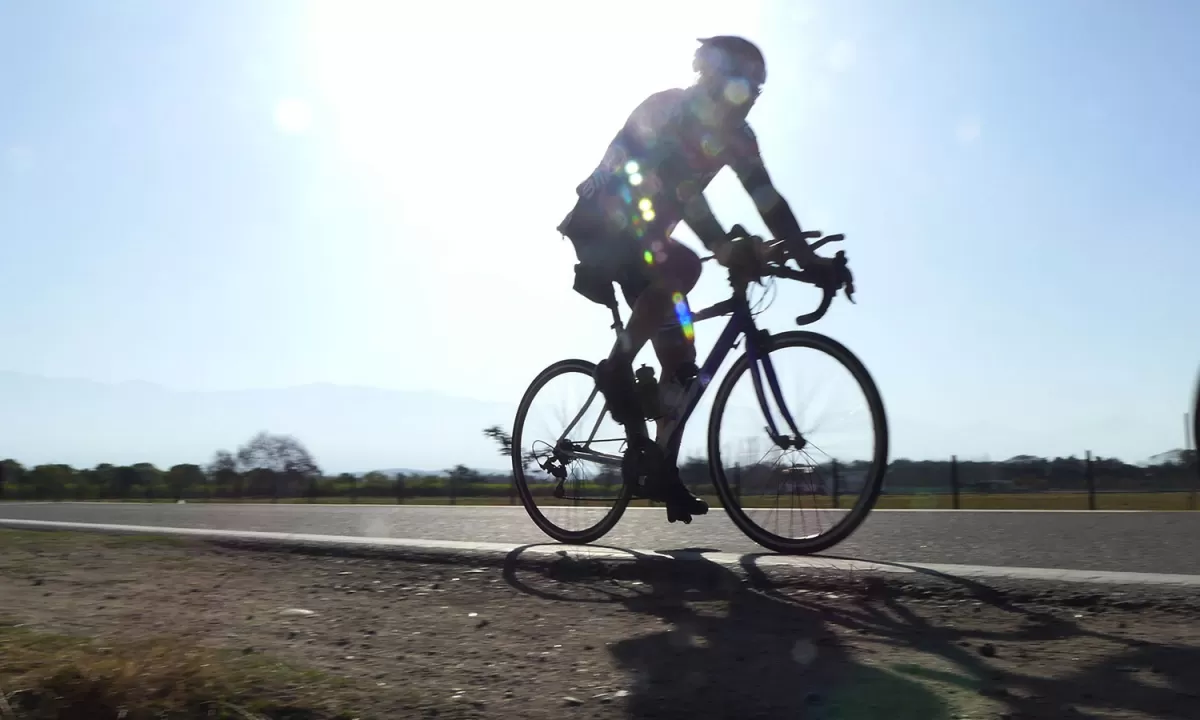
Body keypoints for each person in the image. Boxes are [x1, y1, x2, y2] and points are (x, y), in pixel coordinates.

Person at [557, 35, 822, 523]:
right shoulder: (671, 110)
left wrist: (812, 262)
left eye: (759, 88)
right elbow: (680, 190)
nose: (752, 95)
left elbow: (769, 200)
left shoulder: (738, 136)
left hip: (643, 238)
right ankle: (616, 368)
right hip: (601, 225)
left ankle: (660, 468)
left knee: (682, 366)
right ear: (712, 77)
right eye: (744, 82)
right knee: (686, 266)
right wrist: (724, 247)